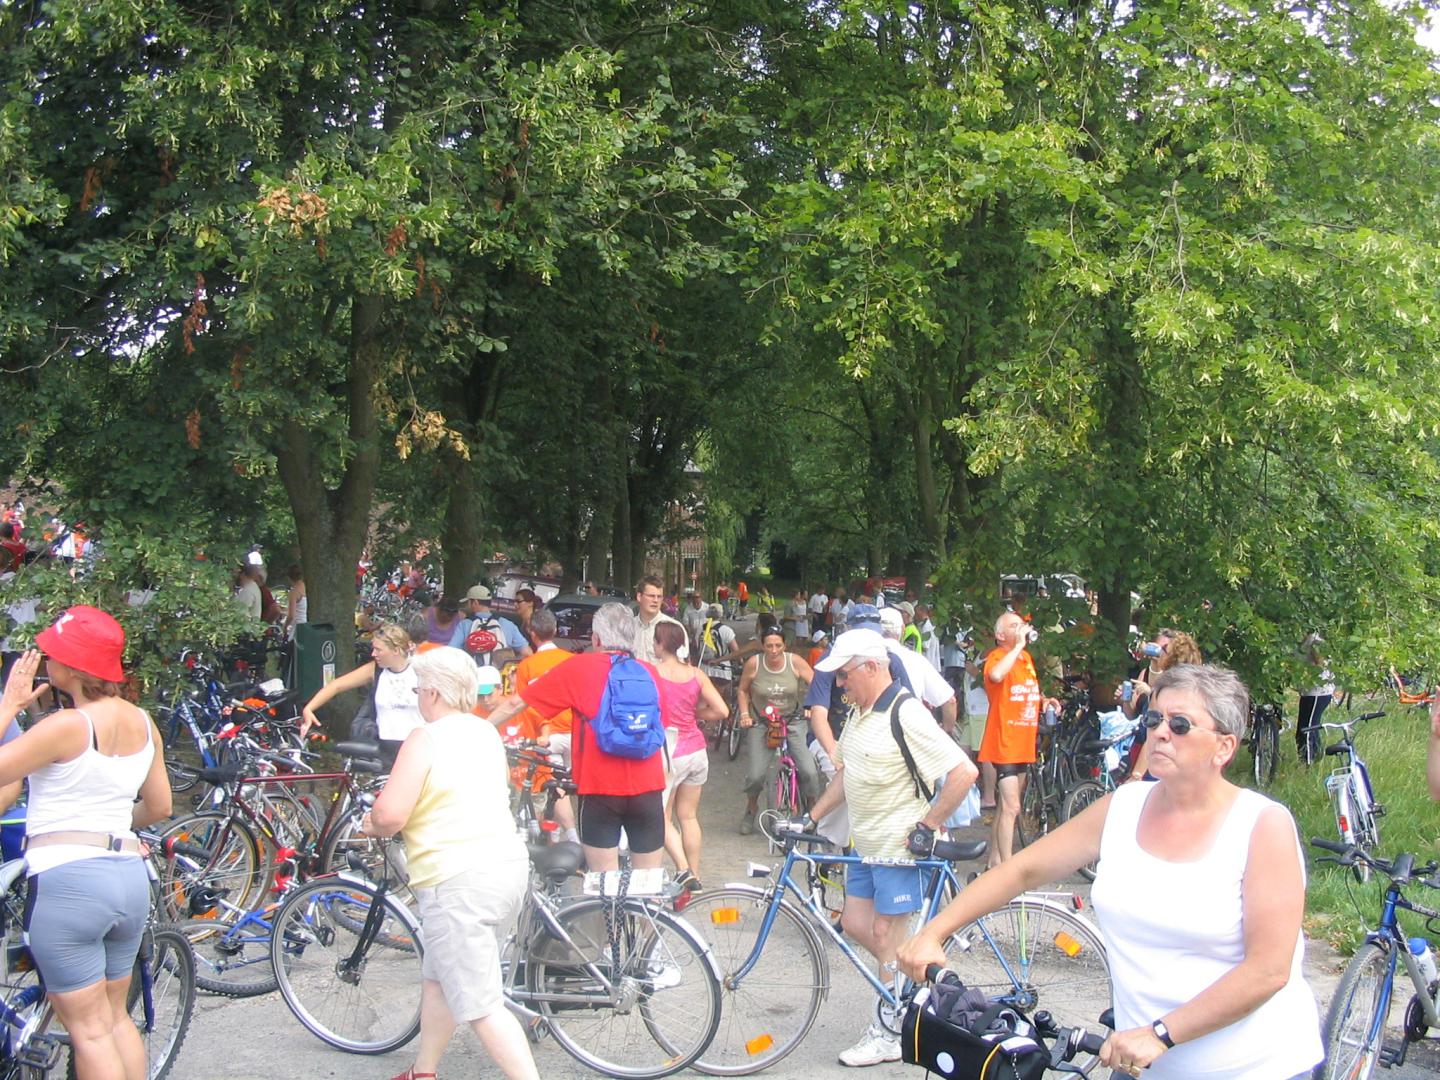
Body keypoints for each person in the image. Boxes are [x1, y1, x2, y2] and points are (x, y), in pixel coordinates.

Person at [899, 664, 1324, 1080]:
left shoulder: (1261, 826)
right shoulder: (1123, 807)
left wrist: (1161, 1034)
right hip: (1140, 1065)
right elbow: (1021, 871)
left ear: (1224, 747)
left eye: (1180, 725)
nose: (1160, 732)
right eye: (1154, 719)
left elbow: (1268, 970)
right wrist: (934, 932)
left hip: (1251, 1067)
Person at [0, 608, 172, 1080]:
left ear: (72, 668)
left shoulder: (66, 726)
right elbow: (160, 805)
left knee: (89, 1032)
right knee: (115, 1019)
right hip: (126, 876)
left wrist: (9, 705)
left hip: (68, 881)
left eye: (52, 655)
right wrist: (109, 827)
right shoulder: (143, 722)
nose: (45, 662)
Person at [359, 647, 537, 1080]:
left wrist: (372, 823)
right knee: (440, 975)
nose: (418, 697)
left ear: (434, 693)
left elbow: (391, 814)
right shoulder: (485, 731)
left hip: (455, 878)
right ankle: (424, 1070)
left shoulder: (426, 738)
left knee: (482, 1005)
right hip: (505, 866)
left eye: (419, 689)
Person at [806, 629, 976, 1068]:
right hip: (867, 845)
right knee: (855, 924)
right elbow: (846, 774)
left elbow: (964, 772)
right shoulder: (860, 713)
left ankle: (890, 1028)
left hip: (900, 849)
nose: (839, 683)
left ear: (871, 667)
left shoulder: (907, 712)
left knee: (885, 935)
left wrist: (928, 825)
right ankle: (913, 981)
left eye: (844, 674)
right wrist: (811, 817)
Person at [488, 603, 666, 872]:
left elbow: (516, 703)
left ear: (596, 639)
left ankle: (609, 902)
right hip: (648, 788)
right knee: (647, 883)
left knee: (603, 882)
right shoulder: (649, 673)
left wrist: (478, 728)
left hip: (599, 790)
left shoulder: (578, 667)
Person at [651, 622, 726, 895]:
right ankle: (695, 875)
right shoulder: (696, 674)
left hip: (670, 752)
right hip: (696, 750)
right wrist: (696, 714)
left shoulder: (653, 673)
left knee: (661, 815)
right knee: (689, 816)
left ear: (661, 644)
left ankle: (683, 869)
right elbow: (722, 711)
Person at [980, 611, 1056, 868]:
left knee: (1006, 807)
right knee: (1012, 807)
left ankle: (994, 862)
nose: (1021, 628)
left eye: (1022, 624)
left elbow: (1027, 690)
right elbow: (996, 676)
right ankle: (1008, 870)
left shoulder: (1025, 659)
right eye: (1015, 625)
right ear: (1000, 635)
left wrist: (1045, 701)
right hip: (1005, 742)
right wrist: (1018, 646)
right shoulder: (998, 657)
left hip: (1024, 743)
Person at [300, 623, 422, 764]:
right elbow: (336, 685)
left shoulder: (421, 670)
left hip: (417, 746)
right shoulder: (375, 670)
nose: (373, 654)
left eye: (378, 650)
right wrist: (309, 708)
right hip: (384, 748)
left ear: (396, 650)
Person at [737, 625, 816, 834]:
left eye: (778, 645)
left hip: (792, 720)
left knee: (809, 771)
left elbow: (816, 685)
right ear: (762, 646)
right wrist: (744, 715)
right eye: (769, 646)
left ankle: (813, 811)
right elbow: (743, 691)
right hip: (762, 722)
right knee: (755, 775)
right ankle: (751, 808)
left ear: (784, 645)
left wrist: (810, 706)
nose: (774, 650)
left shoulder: (795, 662)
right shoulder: (754, 664)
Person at [513, 610, 578, 842]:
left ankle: (568, 838)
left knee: (555, 789)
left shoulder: (526, 666)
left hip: (547, 735)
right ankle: (566, 838)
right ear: (556, 630)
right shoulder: (572, 660)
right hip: (575, 731)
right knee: (573, 787)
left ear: (532, 633)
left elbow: (521, 706)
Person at [1126, 630, 1204, 780]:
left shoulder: (1172, 690)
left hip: (1165, 759)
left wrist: (1136, 776)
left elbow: (1155, 734)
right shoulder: (1180, 686)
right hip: (1167, 757)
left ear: (1174, 658)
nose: (1158, 652)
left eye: (1163, 650)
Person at [456, 586, 530, 666]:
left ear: (475, 602)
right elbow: (527, 653)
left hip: (472, 671)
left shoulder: (464, 624)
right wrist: (510, 663)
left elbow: (452, 651)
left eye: (468, 602)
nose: (467, 606)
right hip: (498, 672)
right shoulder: (508, 624)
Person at [1295, 632, 1334, 764]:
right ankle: (1316, 758)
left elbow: (1320, 663)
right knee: (1308, 726)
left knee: (1307, 730)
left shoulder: (1314, 640)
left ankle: (1308, 762)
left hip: (1317, 692)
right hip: (1309, 692)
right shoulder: (1304, 640)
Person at [634, 575, 684, 664]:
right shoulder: (628, 627)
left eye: (659, 596)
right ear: (639, 596)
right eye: (651, 596)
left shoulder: (673, 628)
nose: (656, 600)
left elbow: (680, 666)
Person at [283, 564, 307, 636]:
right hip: (305, 624)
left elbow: (291, 616)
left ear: (289, 577)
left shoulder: (294, 592)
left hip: (297, 627)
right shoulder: (305, 586)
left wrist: (284, 627)